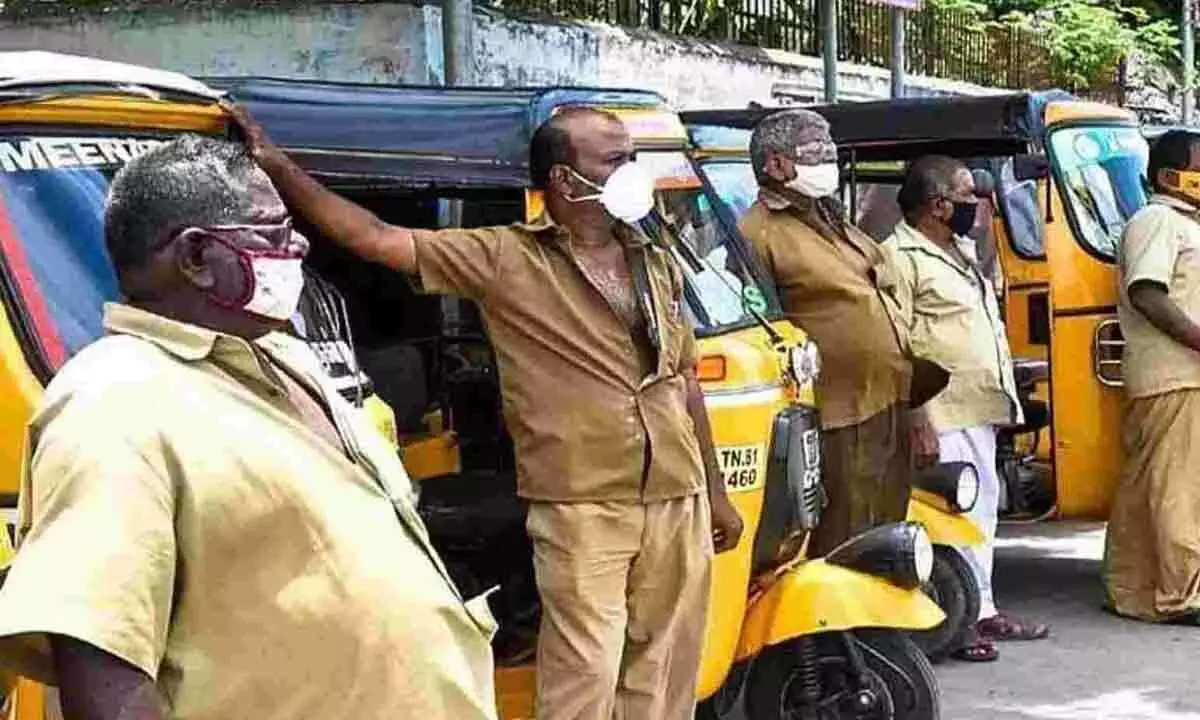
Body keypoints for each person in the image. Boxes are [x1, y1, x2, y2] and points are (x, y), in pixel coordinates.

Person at [228, 103, 744, 720]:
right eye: (614, 160)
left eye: (630, 159)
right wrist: (279, 167)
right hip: (582, 503)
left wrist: (714, 490)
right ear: (562, 179)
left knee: (663, 669)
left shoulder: (654, 259)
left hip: (675, 493)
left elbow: (683, 379)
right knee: (586, 673)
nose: (630, 172)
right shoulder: (505, 259)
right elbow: (373, 238)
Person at [0, 137, 498, 719]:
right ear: (194, 257)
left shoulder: (286, 357)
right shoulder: (114, 404)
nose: (301, 244)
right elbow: (102, 667)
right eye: (272, 231)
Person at [737, 108, 942, 557]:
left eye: (829, 149)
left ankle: (878, 627)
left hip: (888, 399)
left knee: (889, 531)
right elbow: (762, 330)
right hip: (836, 414)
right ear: (774, 165)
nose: (827, 158)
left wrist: (917, 411)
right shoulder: (756, 233)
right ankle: (837, 629)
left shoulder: (832, 218)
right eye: (813, 150)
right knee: (842, 538)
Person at [882, 155, 1050, 663]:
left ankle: (982, 608)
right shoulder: (899, 256)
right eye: (966, 196)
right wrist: (917, 419)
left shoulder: (959, 249)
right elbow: (897, 345)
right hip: (939, 410)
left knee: (980, 513)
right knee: (945, 521)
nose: (976, 205)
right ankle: (950, 621)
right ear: (937, 206)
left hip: (975, 407)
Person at [1104, 129, 1200, 626]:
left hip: (1180, 377)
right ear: (1169, 176)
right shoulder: (1157, 220)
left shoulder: (1184, 223)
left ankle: (1133, 589)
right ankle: (1178, 596)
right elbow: (1148, 292)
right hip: (1173, 375)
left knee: (1150, 490)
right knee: (1175, 491)